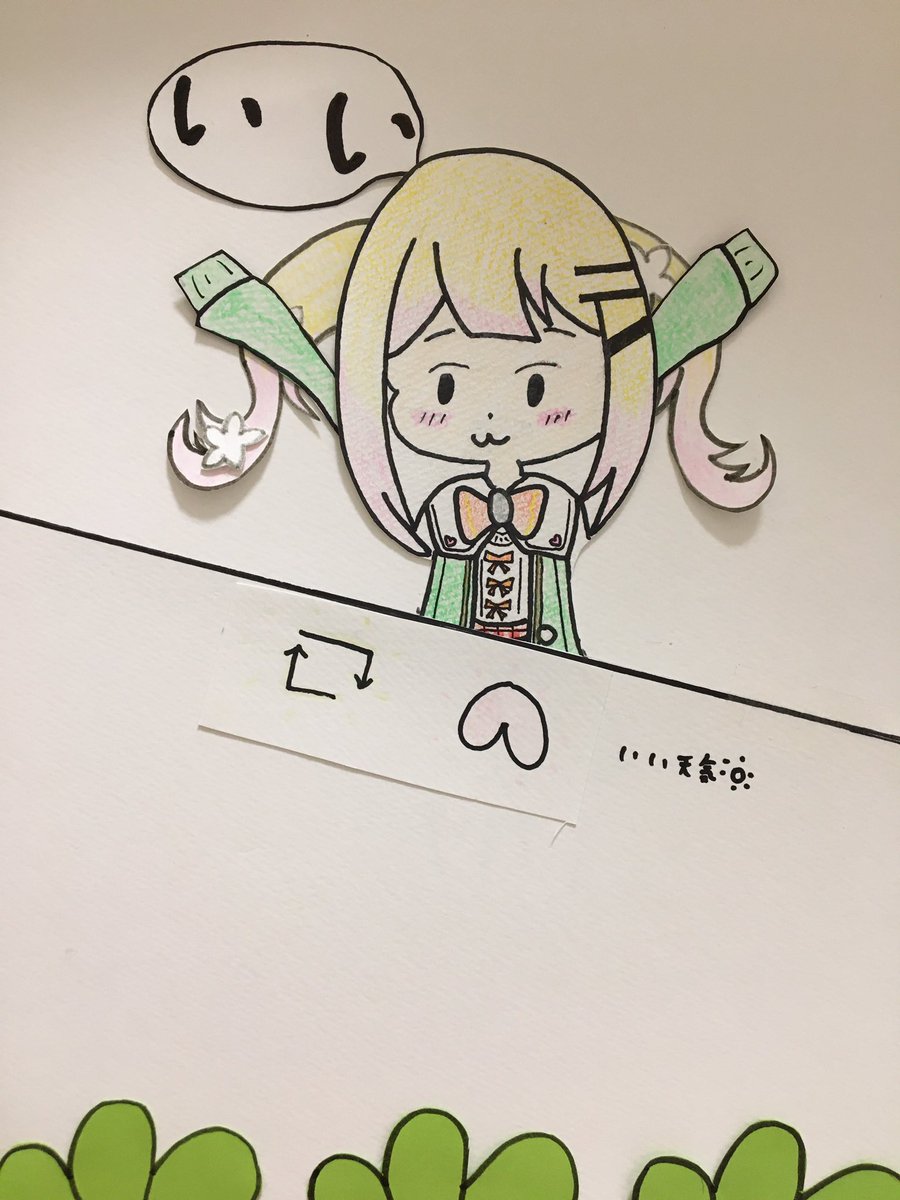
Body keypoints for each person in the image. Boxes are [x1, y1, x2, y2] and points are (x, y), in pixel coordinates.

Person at [170, 150, 778, 655]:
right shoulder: (441, 508)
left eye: (539, 386)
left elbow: (629, 384)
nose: (490, 425)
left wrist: (706, 305)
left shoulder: (564, 503)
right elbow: (349, 404)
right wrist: (260, 327)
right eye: (445, 387)